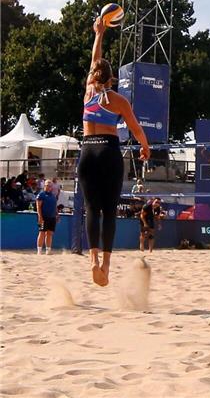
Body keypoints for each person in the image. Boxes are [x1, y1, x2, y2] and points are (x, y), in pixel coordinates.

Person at [79, 15, 151, 286]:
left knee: (90, 208)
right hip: (109, 152)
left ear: (94, 76)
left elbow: (94, 61)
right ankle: (106, 267)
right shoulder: (119, 100)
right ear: (113, 78)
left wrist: (99, 34)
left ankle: (93, 260)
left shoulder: (88, 93)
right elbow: (137, 130)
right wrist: (145, 149)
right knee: (109, 211)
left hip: (88, 151)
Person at [36, 180, 59, 255]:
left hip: (52, 217)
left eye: (50, 186)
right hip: (44, 217)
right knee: (42, 232)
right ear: (44, 186)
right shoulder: (41, 194)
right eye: (47, 185)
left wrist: (57, 215)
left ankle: (48, 250)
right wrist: (40, 217)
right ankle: (39, 251)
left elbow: (55, 206)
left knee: (50, 233)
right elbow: (38, 207)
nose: (49, 187)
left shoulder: (53, 195)